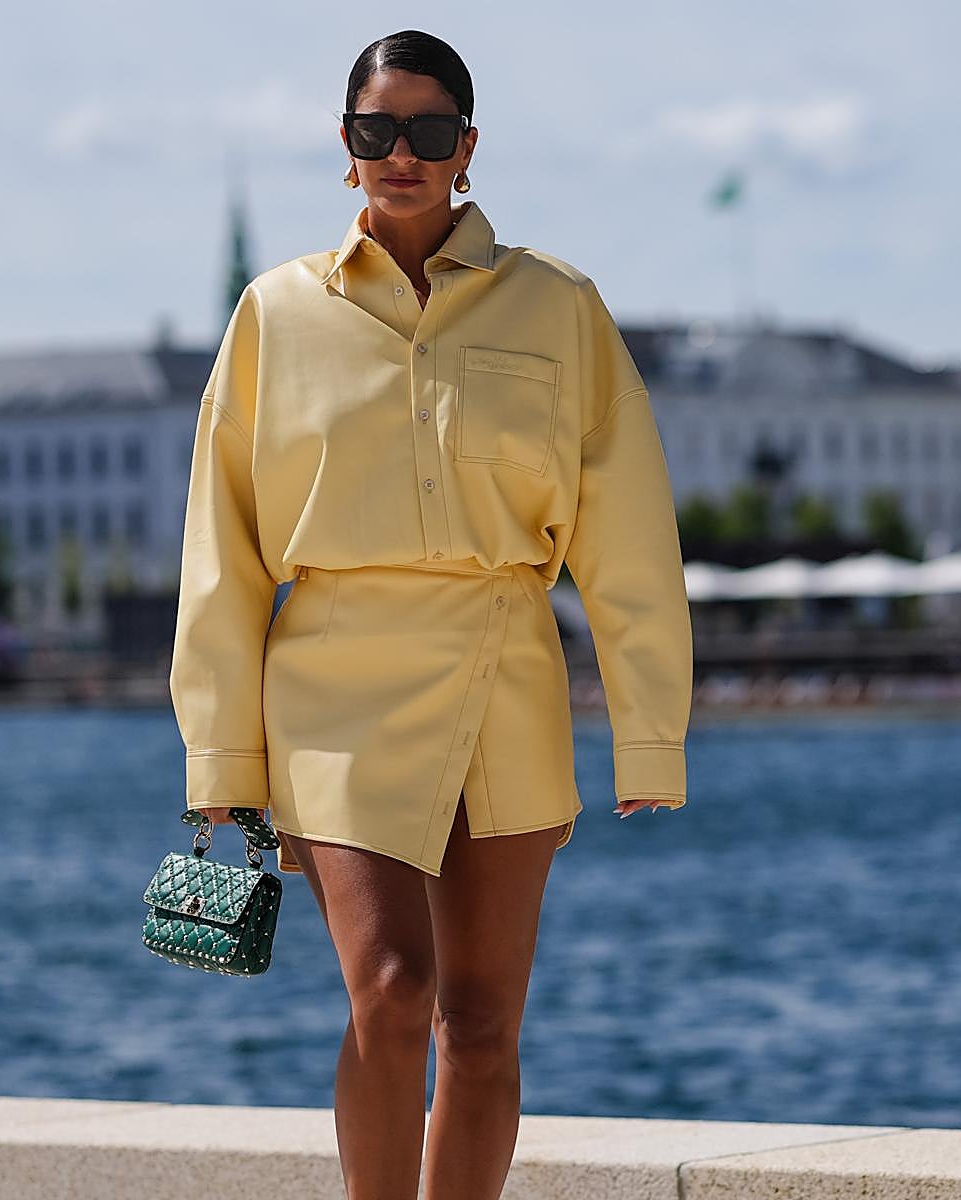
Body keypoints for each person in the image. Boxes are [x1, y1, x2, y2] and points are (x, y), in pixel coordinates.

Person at [168, 28, 693, 1200]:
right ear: (345, 145)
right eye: (377, 130)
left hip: (508, 678)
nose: (401, 153)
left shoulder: (560, 307)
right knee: (394, 990)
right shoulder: (274, 314)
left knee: (484, 1026)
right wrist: (221, 753)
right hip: (334, 690)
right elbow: (223, 550)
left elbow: (629, 537)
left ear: (468, 147)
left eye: (429, 130)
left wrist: (650, 731)